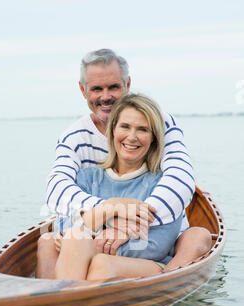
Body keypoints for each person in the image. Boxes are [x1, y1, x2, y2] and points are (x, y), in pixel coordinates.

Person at [40, 49, 211, 277]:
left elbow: (179, 180)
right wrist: (109, 209)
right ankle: (49, 301)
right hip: (95, 234)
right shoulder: (82, 156)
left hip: (151, 238)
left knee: (198, 235)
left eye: (114, 87)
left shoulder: (162, 128)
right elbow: (57, 192)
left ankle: (168, 277)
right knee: (51, 240)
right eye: (97, 89)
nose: (106, 96)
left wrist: (126, 223)